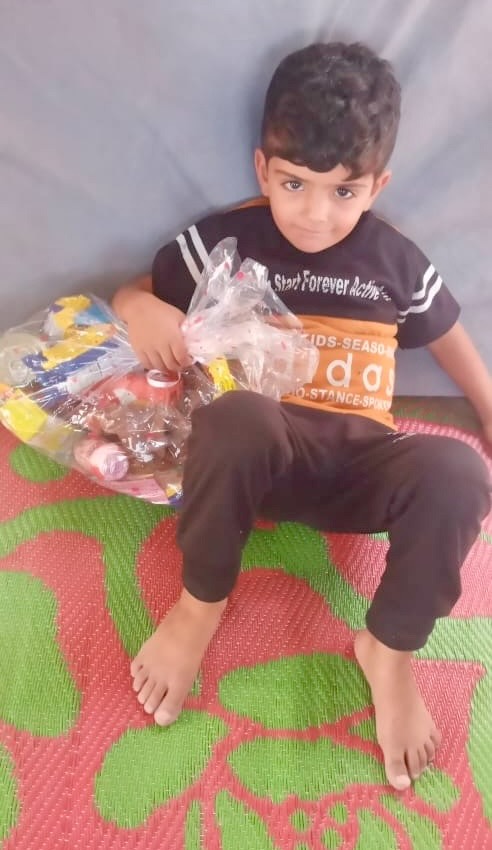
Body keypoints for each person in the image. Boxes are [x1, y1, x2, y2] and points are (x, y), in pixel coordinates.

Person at [112, 41, 492, 791]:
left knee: (458, 471)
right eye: (294, 184)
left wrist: (485, 406)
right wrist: (141, 307)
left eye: (344, 192)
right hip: (255, 463)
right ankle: (199, 607)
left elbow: (446, 333)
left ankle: (389, 648)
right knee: (236, 418)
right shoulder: (230, 239)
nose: (316, 214)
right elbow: (135, 290)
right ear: (263, 170)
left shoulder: (394, 260)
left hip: (363, 469)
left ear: (378, 186)